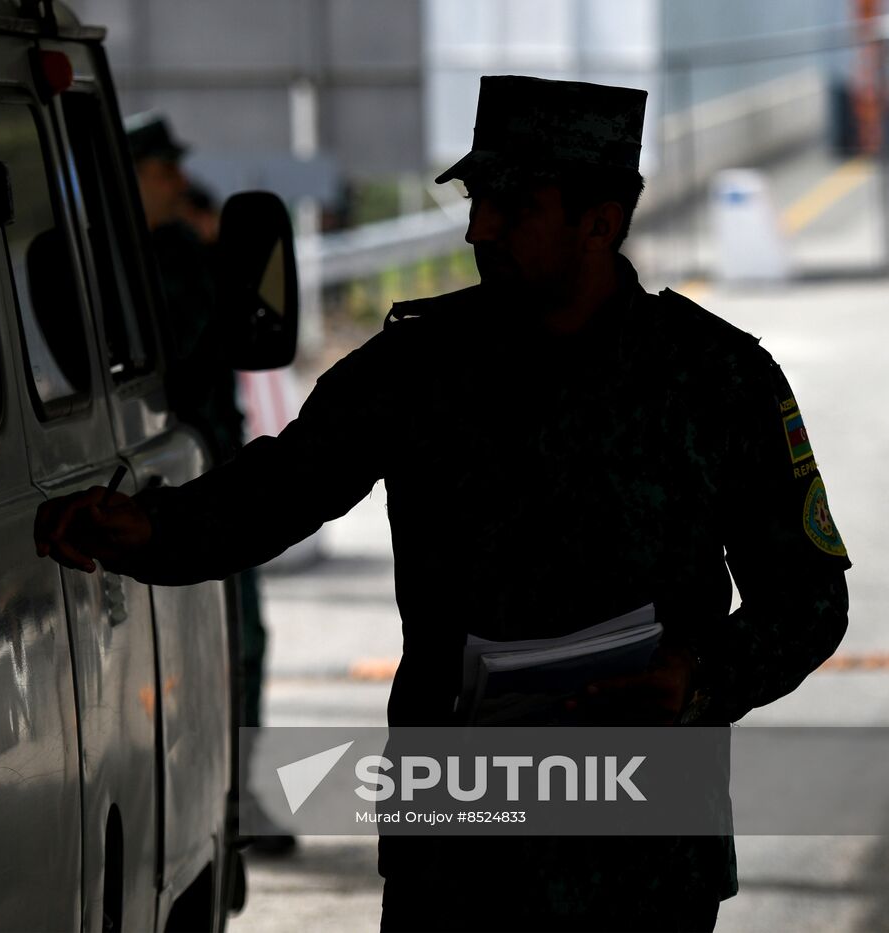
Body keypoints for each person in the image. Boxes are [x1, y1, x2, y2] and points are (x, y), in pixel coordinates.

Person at [42, 77, 851, 930]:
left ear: (600, 222)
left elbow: (809, 597)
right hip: (460, 856)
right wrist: (152, 527)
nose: (478, 227)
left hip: (641, 857)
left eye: (512, 204)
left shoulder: (716, 380)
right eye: (476, 199)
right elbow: (282, 486)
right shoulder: (420, 366)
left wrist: (699, 678)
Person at [124, 113, 295, 854]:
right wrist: (198, 252)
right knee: (228, 645)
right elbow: (188, 337)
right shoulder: (150, 261)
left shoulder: (163, 253)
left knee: (240, 644)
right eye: (162, 171)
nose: (177, 183)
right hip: (175, 486)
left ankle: (232, 790)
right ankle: (226, 796)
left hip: (203, 477)